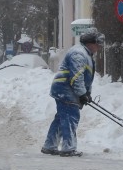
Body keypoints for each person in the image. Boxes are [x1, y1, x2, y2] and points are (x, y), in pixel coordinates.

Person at [41, 28, 104, 157]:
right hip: (65, 89)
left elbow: (86, 78)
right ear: (90, 43)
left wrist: (86, 94)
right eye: (98, 43)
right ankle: (68, 148)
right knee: (70, 117)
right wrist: (82, 94)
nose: (99, 47)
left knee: (61, 118)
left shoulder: (85, 54)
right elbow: (77, 76)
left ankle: (50, 145)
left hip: (66, 89)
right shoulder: (78, 54)